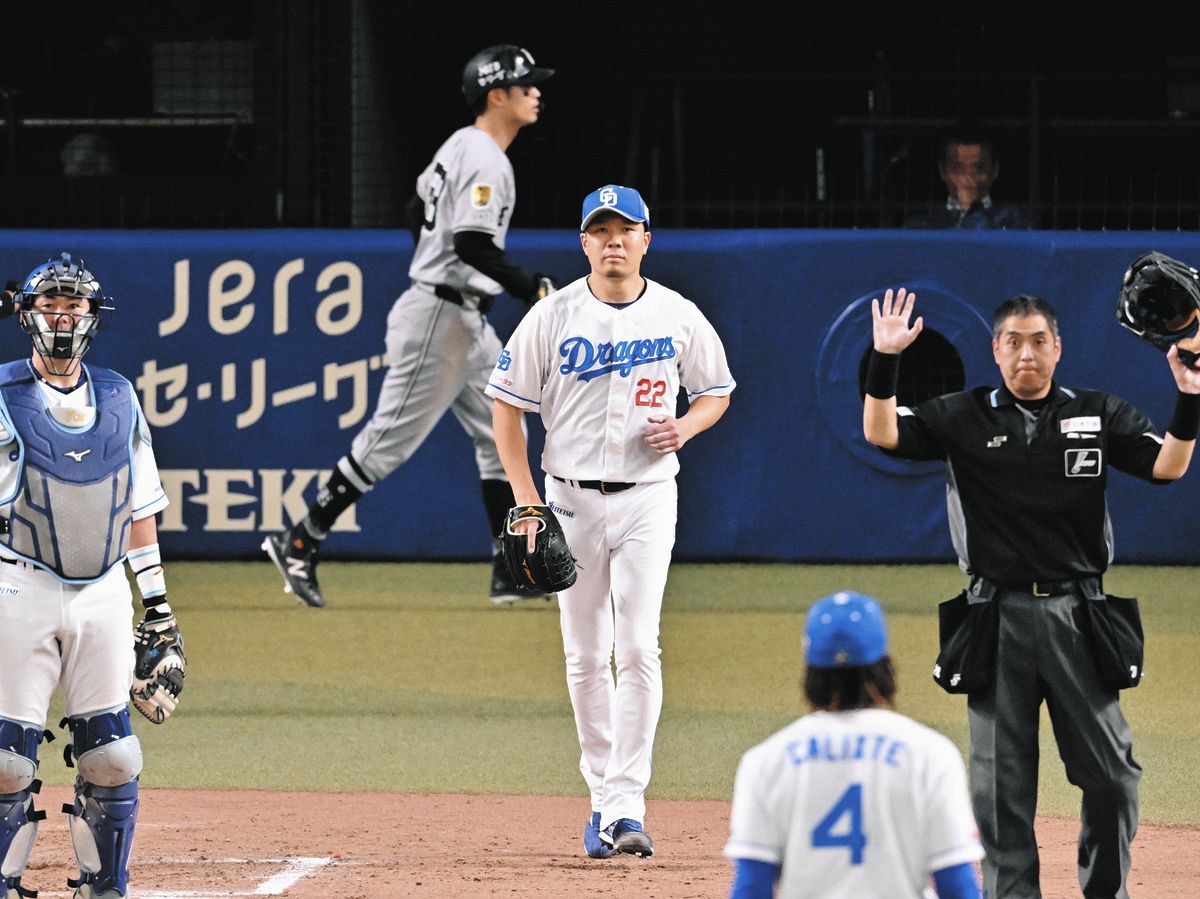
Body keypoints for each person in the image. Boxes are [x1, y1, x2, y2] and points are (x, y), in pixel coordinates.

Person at [862, 288, 1200, 897]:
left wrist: (1191, 396)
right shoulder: (962, 415)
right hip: (996, 617)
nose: (1027, 354)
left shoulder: (1097, 412)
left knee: (1112, 776)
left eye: (1039, 341)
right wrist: (886, 358)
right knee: (1000, 790)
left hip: (1079, 614)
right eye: (1014, 342)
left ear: (1058, 348)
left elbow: (1167, 466)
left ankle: (1106, 890)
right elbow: (882, 432)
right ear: (995, 350)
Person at [486, 184, 735, 859]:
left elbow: (716, 391)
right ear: (584, 242)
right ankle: (603, 796)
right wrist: (527, 500)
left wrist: (686, 426)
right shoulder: (552, 315)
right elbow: (505, 406)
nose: (613, 241)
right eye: (600, 230)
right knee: (586, 654)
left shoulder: (678, 314)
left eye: (625, 229)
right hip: (568, 499)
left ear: (646, 240)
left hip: (648, 496)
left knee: (640, 647)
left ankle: (626, 804)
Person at [262, 44, 559, 608]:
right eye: (526, 84)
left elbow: (413, 208)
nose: (536, 92)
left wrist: (436, 260)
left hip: (461, 316)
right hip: (440, 316)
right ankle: (299, 539)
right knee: (388, 441)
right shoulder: (486, 157)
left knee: (503, 435)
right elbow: (470, 243)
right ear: (497, 95)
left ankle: (510, 570)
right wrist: (530, 286)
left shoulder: (461, 144)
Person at [0, 253, 185, 899]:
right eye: (49, 304)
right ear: (26, 313)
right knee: (5, 762)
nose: (62, 316)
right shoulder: (1, 394)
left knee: (112, 756)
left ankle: (103, 887)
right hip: (18, 586)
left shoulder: (119, 396)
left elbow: (139, 511)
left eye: (73, 305)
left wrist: (158, 611)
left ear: (92, 315)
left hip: (103, 593)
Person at [724, 590, 984, 899]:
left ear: (810, 670)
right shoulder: (930, 755)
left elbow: (751, 888)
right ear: (883, 666)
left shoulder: (766, 761)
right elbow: (957, 886)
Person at [903, 120, 1028, 230]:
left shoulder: (1014, 221)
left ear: (994, 170)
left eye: (978, 168)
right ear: (942, 171)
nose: (967, 177)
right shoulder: (921, 224)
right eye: (957, 168)